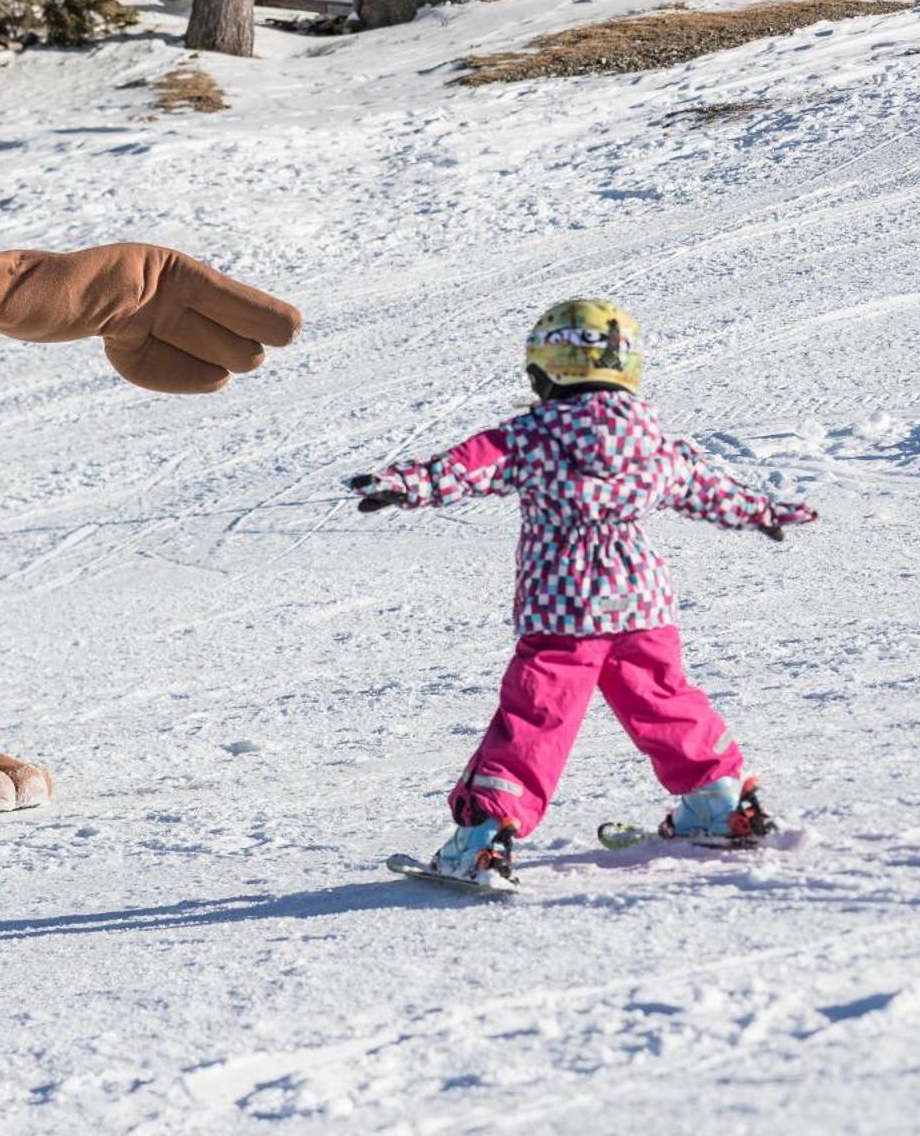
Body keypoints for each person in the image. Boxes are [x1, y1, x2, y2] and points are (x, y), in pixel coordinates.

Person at [347, 298, 817, 889]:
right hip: (642, 603)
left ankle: (483, 837)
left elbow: (469, 467)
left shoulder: (533, 436)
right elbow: (707, 487)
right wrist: (762, 510)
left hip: (565, 608)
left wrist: (402, 484)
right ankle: (719, 802)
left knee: (537, 718)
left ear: (546, 371)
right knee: (664, 698)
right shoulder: (651, 442)